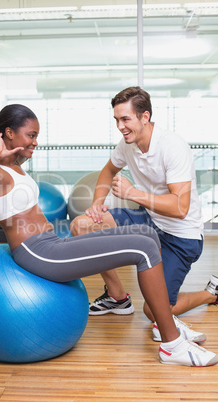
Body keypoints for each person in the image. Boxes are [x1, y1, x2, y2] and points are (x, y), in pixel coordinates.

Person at [0, 103, 218, 367]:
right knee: (143, 248)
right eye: (31, 135)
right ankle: (172, 344)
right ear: (9, 133)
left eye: (36, 136)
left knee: (147, 235)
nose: (35, 142)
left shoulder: (13, 166)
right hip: (38, 253)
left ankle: (160, 319)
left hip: (50, 244)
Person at [70, 86, 218, 344]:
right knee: (82, 226)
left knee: (154, 312)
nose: (120, 126)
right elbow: (107, 171)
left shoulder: (173, 147)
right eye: (116, 119)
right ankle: (118, 297)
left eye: (125, 119)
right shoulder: (127, 144)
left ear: (144, 117)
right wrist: (96, 204)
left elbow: (180, 208)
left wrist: (134, 193)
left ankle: (211, 294)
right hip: (148, 221)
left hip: (181, 236)